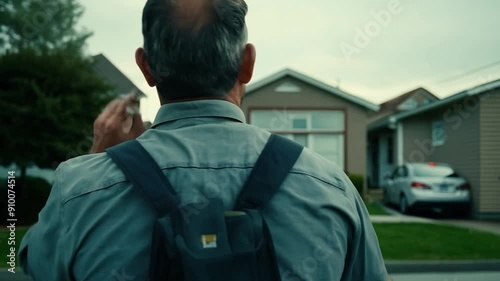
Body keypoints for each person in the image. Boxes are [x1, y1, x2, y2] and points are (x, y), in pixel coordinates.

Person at [19, 0, 389, 280]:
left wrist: (97, 158)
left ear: (145, 67)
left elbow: (25, 266)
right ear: (248, 63)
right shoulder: (331, 188)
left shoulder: (79, 190)